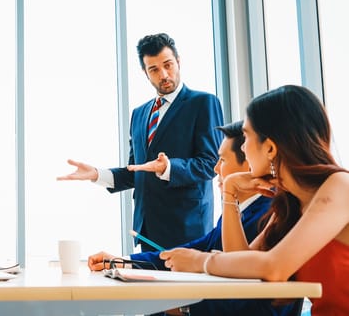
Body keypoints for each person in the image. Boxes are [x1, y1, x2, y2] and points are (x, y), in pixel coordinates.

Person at [160, 85, 349, 315]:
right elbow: (243, 264)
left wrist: (201, 261)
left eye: (246, 137)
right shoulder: (292, 204)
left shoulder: (340, 186)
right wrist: (229, 193)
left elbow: (274, 267)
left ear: (269, 148)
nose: (242, 147)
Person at [87, 120, 301, 315]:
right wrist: (123, 261)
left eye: (222, 160)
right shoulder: (245, 210)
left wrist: (183, 306)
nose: (216, 169)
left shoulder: (269, 213)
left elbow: (246, 288)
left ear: (249, 164)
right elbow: (197, 249)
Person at [58, 33, 224, 250]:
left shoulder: (203, 103)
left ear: (179, 62)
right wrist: (98, 174)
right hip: (148, 230)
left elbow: (210, 163)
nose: (163, 74)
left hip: (188, 228)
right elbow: (136, 171)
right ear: (145, 73)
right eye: (154, 69)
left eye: (168, 65)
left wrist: (169, 167)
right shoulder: (139, 114)